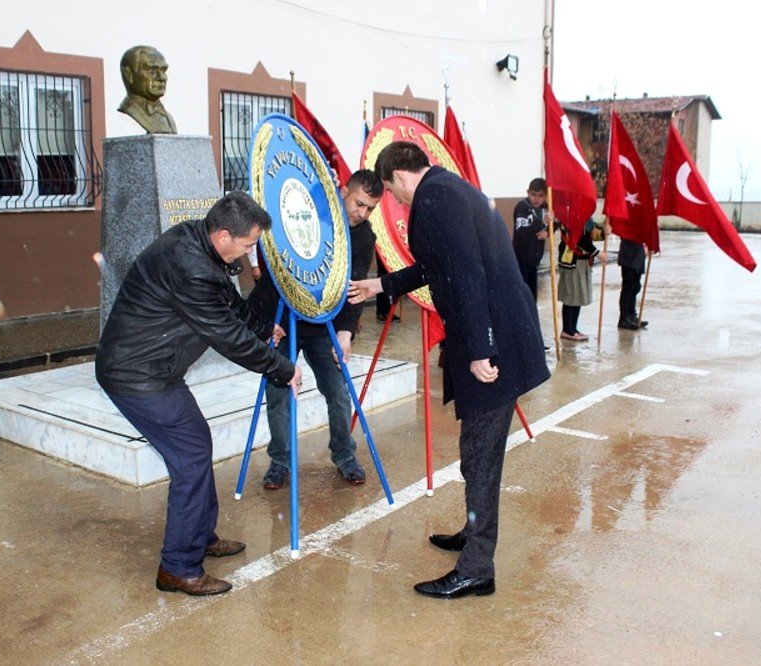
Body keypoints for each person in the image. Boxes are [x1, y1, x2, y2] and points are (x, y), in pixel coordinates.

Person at [347, 142, 550, 599]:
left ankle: (477, 568)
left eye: (393, 192)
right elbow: (437, 267)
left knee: (480, 454)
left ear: (399, 174)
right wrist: (384, 283)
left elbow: (466, 271)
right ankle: (472, 530)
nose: (396, 201)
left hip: (492, 344)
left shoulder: (435, 199)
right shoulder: (450, 188)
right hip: (499, 334)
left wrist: (480, 349)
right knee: (475, 448)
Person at [95, 191, 301, 597]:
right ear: (223, 234)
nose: (251, 251)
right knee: (190, 457)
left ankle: (200, 536)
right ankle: (179, 568)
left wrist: (263, 328)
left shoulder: (200, 243)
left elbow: (227, 303)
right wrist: (282, 369)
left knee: (195, 444)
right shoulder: (190, 266)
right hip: (136, 375)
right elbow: (225, 335)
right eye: (246, 244)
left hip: (154, 368)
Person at [248, 169, 384, 489]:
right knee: (278, 391)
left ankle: (344, 454)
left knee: (338, 391)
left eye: (369, 209)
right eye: (358, 203)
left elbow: (355, 287)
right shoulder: (310, 210)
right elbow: (278, 234)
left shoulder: (364, 236)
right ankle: (280, 460)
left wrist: (346, 331)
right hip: (282, 318)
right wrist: (270, 322)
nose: (361, 213)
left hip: (324, 323)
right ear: (344, 191)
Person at [557, 219, 603, 341]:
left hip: (583, 261)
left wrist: (604, 231)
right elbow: (578, 240)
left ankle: (573, 328)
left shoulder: (587, 217)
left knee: (578, 296)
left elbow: (594, 233)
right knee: (571, 295)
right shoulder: (570, 216)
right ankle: (567, 330)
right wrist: (596, 253)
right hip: (572, 260)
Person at [117, 46, 177, 134]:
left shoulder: (169, 119)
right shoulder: (129, 111)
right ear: (128, 74)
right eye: (151, 71)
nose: (161, 77)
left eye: (163, 71)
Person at [512, 177, 552, 301]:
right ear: (528, 192)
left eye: (540, 195)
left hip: (534, 261)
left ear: (545, 195)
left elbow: (555, 224)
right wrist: (540, 223)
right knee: (522, 297)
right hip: (521, 259)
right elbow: (521, 231)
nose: (536, 199)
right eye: (533, 195)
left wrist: (548, 232)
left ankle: (531, 319)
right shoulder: (523, 207)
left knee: (532, 297)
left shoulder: (546, 208)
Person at [616, 238, 648, 330]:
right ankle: (624, 318)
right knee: (628, 288)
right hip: (629, 255)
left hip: (638, 254)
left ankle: (631, 315)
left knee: (636, 287)